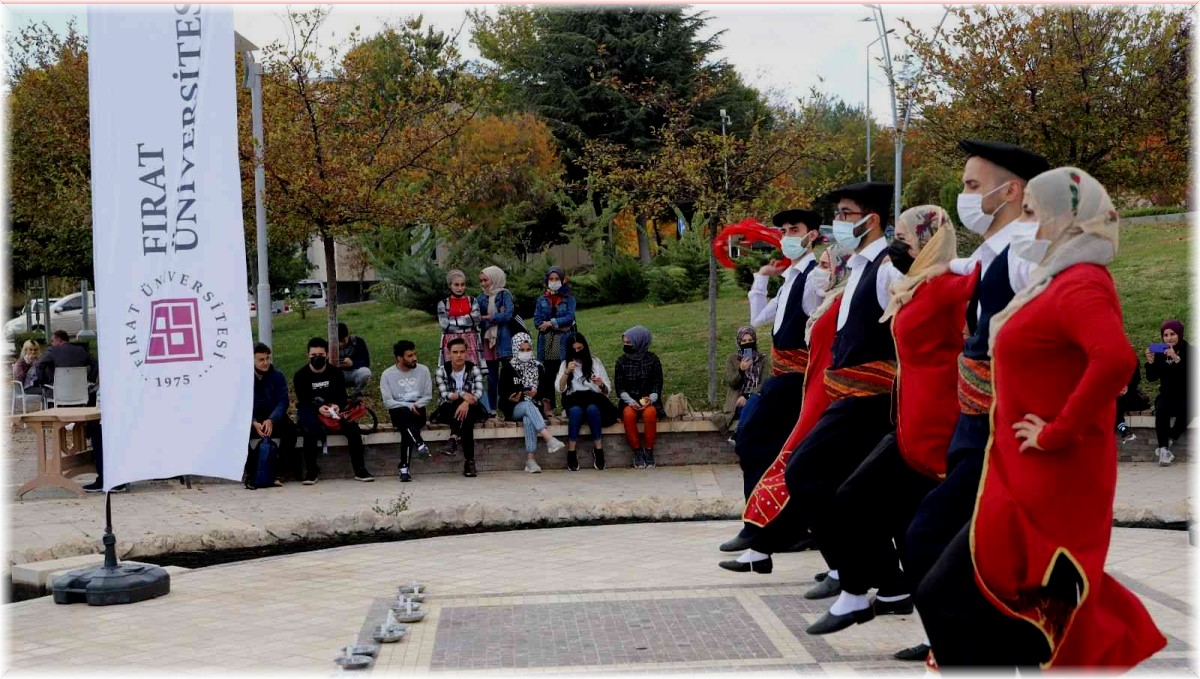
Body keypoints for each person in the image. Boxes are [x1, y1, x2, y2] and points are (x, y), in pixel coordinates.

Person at [917, 167, 1166, 669]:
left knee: (951, 594)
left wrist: (1057, 431)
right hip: (1018, 473)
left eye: (1032, 213)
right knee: (1004, 606)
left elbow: (1116, 359)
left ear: (1065, 218)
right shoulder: (1055, 279)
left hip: (1047, 479)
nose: (1025, 225)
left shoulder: (1080, 283)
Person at [899, 139, 1050, 663]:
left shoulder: (1031, 252)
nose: (963, 197)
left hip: (1003, 438)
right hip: (978, 433)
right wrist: (948, 268)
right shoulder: (994, 253)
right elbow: (977, 267)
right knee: (965, 560)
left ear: (1011, 191)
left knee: (932, 548)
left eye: (971, 187)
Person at [804, 206, 977, 635]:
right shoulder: (914, 287)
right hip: (906, 426)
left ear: (930, 239)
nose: (897, 246)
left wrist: (955, 264)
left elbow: (993, 274)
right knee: (878, 513)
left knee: (920, 536)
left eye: (905, 237)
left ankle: (867, 599)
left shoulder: (950, 285)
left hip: (938, 433)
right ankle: (872, 595)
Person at [725, 182, 904, 586]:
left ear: (871, 220)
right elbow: (764, 321)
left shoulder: (872, 271)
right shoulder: (847, 272)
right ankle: (855, 574)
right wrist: (761, 279)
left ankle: (843, 568)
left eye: (844, 214)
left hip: (842, 390)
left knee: (804, 468)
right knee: (807, 469)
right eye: (837, 214)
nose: (837, 224)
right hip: (832, 389)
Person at [721, 208, 825, 554]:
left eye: (793, 229)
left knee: (752, 440)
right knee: (773, 451)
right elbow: (758, 318)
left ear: (811, 235)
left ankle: (761, 530)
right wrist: (763, 276)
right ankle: (779, 530)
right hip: (782, 377)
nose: (786, 236)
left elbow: (819, 323)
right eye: (782, 230)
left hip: (796, 380)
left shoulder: (813, 277)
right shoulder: (793, 278)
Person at [294, 337, 374, 484]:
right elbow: (303, 400)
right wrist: (318, 408)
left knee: (353, 429)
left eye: (321, 355)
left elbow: (342, 397)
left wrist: (336, 405)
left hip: (334, 414)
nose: (317, 358)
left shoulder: (335, 373)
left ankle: (360, 469)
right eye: (313, 355)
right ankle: (311, 471)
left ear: (327, 355)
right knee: (308, 431)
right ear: (308, 356)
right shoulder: (300, 376)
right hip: (313, 414)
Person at [499, 333, 566, 473]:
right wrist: (515, 396)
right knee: (527, 406)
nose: (525, 353)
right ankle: (549, 438)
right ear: (515, 349)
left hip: (535, 407)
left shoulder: (538, 367)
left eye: (528, 349)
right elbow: (502, 392)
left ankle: (530, 461)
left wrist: (536, 393)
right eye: (521, 350)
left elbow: (546, 390)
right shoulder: (508, 368)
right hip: (514, 408)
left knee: (528, 418)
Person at [557, 332, 620, 471]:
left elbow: (607, 390)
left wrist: (600, 384)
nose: (577, 352)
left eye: (580, 348)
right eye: (574, 349)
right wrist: (567, 372)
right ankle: (571, 451)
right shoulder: (565, 364)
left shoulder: (595, 362)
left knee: (592, 410)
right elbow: (560, 388)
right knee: (575, 411)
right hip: (574, 399)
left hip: (593, 398)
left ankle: (598, 449)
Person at [245, 342, 298, 488]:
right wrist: (253, 421)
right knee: (238, 434)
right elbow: (239, 404)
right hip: (251, 418)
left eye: (268, 358)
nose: (266, 362)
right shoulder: (243, 378)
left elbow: (283, 401)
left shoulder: (277, 376)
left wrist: (272, 419)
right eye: (261, 359)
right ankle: (251, 473)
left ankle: (279, 473)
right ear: (252, 360)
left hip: (273, 417)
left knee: (291, 431)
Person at [437, 269, 490, 413]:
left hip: (471, 341)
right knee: (452, 372)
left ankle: (483, 408)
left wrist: (454, 321)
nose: (460, 288)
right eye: (456, 285)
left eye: (462, 284)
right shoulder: (443, 304)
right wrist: (467, 320)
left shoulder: (472, 301)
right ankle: (450, 405)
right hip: (451, 341)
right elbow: (444, 324)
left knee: (474, 372)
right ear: (450, 285)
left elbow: (476, 318)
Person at [380, 340, 432, 483]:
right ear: (399, 358)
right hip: (399, 411)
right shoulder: (387, 375)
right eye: (409, 356)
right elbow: (388, 402)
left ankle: (405, 467)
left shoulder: (423, 370)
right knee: (403, 413)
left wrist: (416, 405)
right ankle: (419, 444)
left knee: (406, 429)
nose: (414, 358)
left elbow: (428, 396)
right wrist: (408, 406)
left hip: (418, 410)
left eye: (414, 354)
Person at [433, 337, 486, 477]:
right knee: (463, 413)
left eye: (462, 352)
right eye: (455, 352)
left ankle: (453, 438)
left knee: (467, 414)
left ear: (466, 353)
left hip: (472, 408)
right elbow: (445, 395)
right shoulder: (441, 371)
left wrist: (466, 402)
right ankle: (470, 462)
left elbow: (479, 393)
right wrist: (463, 395)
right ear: (448, 353)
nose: (459, 355)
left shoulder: (473, 369)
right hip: (447, 410)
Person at [614, 326, 664, 469]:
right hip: (629, 400)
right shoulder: (621, 362)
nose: (626, 345)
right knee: (628, 415)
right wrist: (630, 401)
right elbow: (620, 387)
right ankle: (637, 451)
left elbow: (657, 383)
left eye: (629, 343)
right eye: (624, 342)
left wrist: (651, 399)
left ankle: (648, 450)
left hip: (649, 400)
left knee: (650, 413)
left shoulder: (652, 359)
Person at [713, 327, 771, 440]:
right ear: (739, 343)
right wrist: (741, 370)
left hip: (756, 399)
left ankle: (738, 434)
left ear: (755, 341)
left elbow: (765, 383)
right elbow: (731, 383)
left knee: (753, 401)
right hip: (737, 403)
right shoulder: (732, 359)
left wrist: (747, 396)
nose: (747, 343)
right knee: (751, 409)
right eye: (744, 341)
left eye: (750, 340)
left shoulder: (762, 359)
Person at [1145, 319, 1189, 466]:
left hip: (1186, 395)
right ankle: (1163, 450)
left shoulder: (1190, 351)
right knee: (1162, 408)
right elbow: (1151, 378)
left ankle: (1170, 437)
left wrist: (1176, 359)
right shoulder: (1160, 352)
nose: (1169, 338)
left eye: (1173, 334)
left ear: (1180, 334)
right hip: (1167, 395)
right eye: (1165, 335)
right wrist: (1150, 362)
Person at [534, 266, 576, 417]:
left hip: (564, 339)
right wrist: (555, 325)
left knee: (565, 370)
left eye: (556, 279)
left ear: (562, 280)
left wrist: (551, 323)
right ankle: (549, 405)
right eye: (551, 279)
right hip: (547, 340)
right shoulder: (541, 299)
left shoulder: (569, 298)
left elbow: (570, 318)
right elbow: (537, 321)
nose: (553, 282)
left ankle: (567, 405)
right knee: (549, 373)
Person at [477, 266, 516, 415]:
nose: (483, 283)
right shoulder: (481, 298)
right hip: (488, 341)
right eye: (481, 280)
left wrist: (487, 317)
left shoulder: (505, 294)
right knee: (492, 379)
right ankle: (492, 409)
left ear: (494, 278)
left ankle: (509, 407)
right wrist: (495, 317)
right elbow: (477, 321)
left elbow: (507, 316)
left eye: (485, 280)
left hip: (504, 340)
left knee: (508, 375)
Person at [33, 329, 97, 395]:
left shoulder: (52, 351)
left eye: (52, 341)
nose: (51, 344)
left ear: (59, 339)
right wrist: (90, 380)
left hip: (57, 392)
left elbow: (38, 365)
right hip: (79, 391)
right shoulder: (81, 350)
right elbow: (96, 364)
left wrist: (44, 383)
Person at [336, 322, 372, 399]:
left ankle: (357, 393)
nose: (340, 344)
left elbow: (366, 362)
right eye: (338, 341)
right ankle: (341, 395)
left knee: (365, 372)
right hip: (338, 375)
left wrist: (353, 363)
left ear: (348, 335)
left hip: (354, 373)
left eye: (343, 341)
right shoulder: (329, 345)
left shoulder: (358, 342)